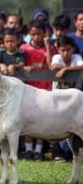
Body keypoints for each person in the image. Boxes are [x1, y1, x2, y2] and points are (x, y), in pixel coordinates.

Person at [19, 19, 56, 161]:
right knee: (28, 120)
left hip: (44, 89)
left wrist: (47, 45)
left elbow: (51, 65)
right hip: (29, 90)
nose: (36, 37)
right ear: (29, 33)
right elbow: (19, 64)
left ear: (45, 34)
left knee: (42, 120)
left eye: (39, 34)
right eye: (33, 34)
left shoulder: (50, 48)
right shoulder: (24, 49)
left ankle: (38, 150)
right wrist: (24, 67)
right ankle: (28, 150)